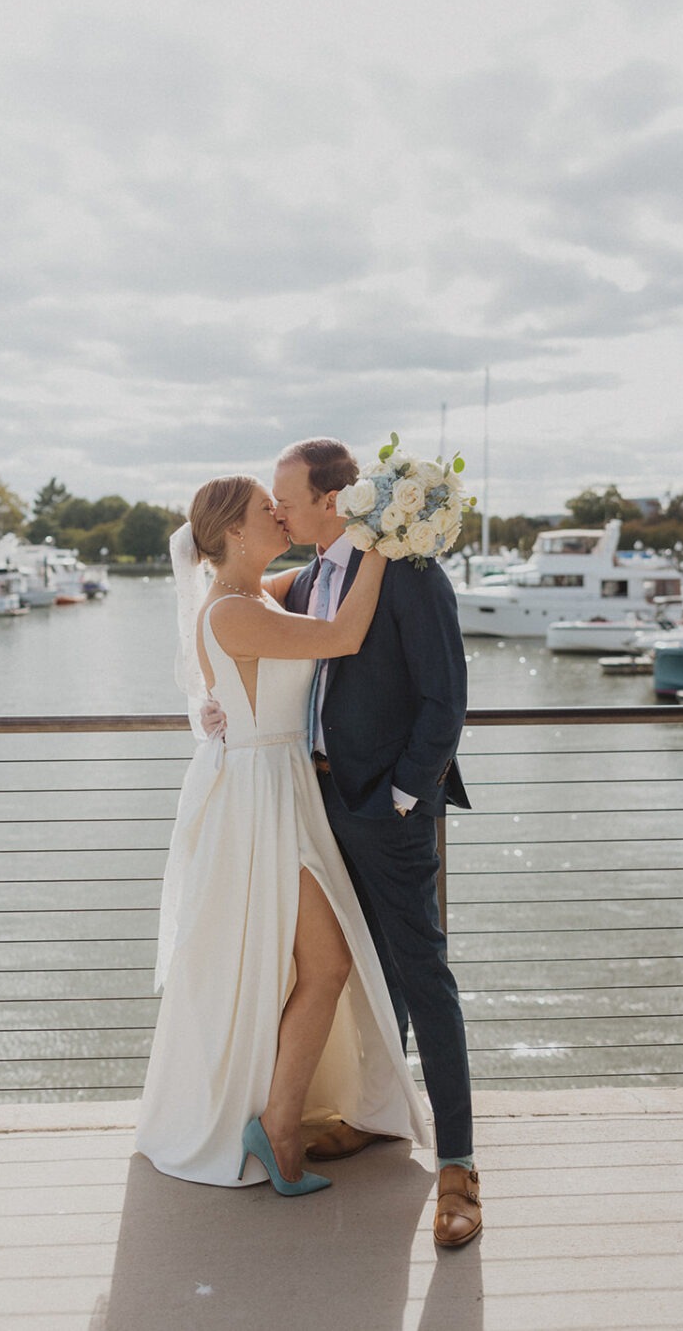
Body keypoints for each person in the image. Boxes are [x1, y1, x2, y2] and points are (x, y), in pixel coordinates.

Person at [135, 475, 429, 1198]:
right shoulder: (233, 612)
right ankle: (277, 1124)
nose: (279, 516)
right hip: (258, 801)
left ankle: (279, 1120)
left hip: (282, 789)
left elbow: (328, 577)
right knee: (323, 965)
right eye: (267, 511)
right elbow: (342, 633)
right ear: (235, 532)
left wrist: (367, 526)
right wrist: (387, 545)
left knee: (320, 966)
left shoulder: (265, 592)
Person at [267, 437, 481, 1248]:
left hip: (383, 809)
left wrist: (402, 797)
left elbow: (445, 698)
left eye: (285, 496)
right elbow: (230, 597)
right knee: (360, 968)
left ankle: (459, 1167)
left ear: (332, 498)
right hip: (318, 801)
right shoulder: (315, 573)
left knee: (423, 974)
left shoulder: (409, 565)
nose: (276, 509)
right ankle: (378, 1113)